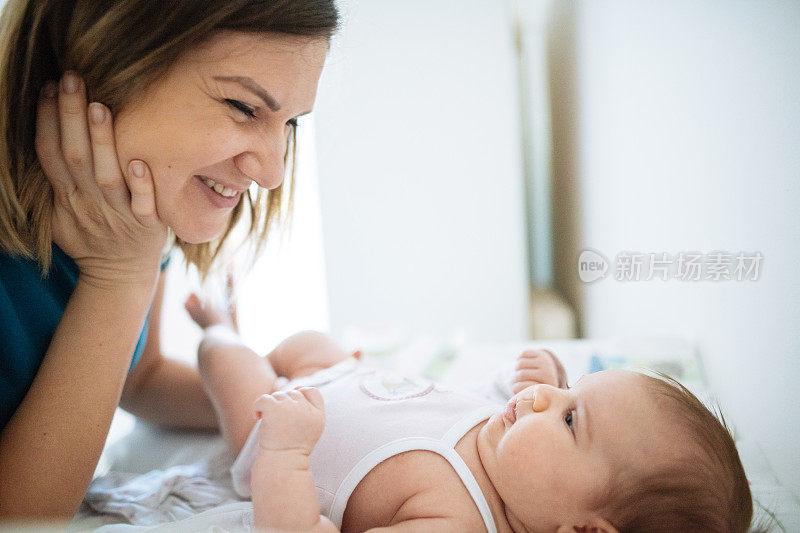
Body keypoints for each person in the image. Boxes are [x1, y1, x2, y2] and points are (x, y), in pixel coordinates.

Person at [0, 0, 338, 520]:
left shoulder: (131, 211)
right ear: (103, 64)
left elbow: (140, 378)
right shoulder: (125, 242)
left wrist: (291, 404)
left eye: (290, 122)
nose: (272, 172)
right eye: (244, 107)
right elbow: (19, 516)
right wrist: (119, 277)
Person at [187, 299, 753, 533]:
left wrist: (285, 453)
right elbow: (464, 399)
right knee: (306, 339)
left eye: (571, 420)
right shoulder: (508, 442)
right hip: (342, 378)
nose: (542, 399)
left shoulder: (455, 520)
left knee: (222, 359)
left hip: (275, 426)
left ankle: (219, 323)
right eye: (571, 390)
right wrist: (547, 381)